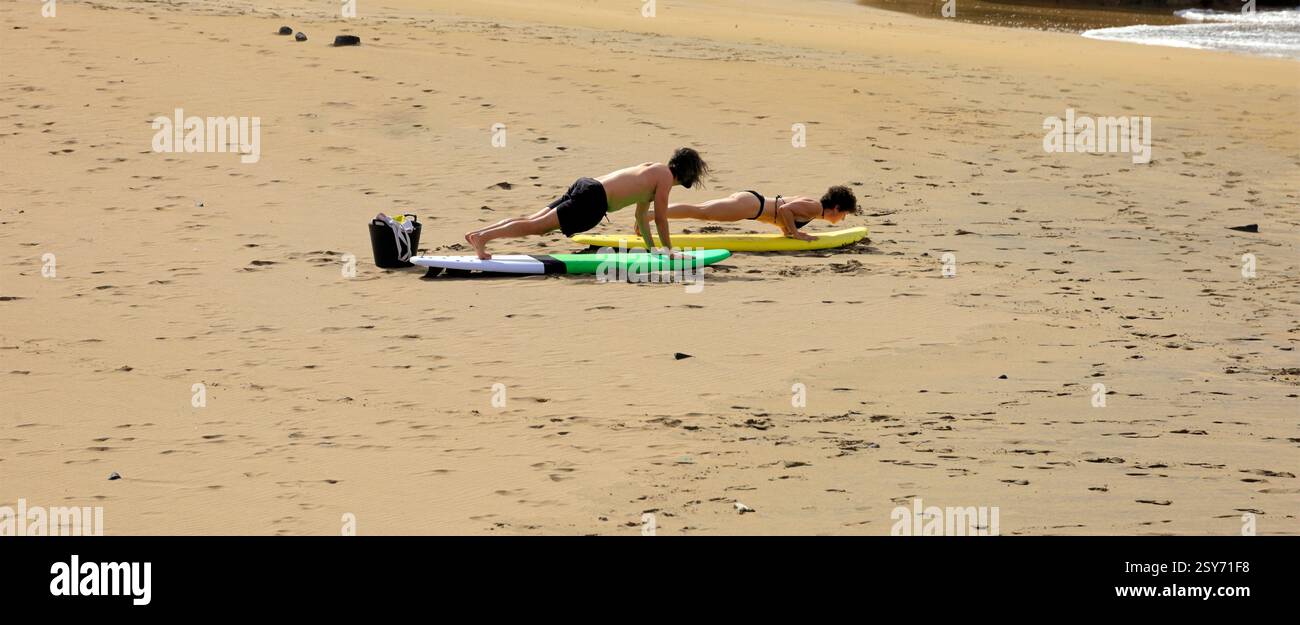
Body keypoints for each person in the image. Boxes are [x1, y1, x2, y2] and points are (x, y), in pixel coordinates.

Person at [464, 148, 710, 259]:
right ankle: (484, 239)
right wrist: (668, 251)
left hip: (587, 185)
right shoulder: (665, 178)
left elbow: (641, 217)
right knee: (537, 227)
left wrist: (652, 249)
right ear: (687, 176)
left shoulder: (652, 170)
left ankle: (480, 234)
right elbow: (660, 218)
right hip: (593, 199)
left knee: (532, 220)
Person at [643, 185, 857, 242]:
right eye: (844, 214)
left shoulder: (813, 210)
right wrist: (797, 233)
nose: (842, 218)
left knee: (701, 209)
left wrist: (788, 231)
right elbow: (784, 210)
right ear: (836, 208)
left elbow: (784, 215)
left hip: (751, 203)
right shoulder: (815, 208)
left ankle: (652, 214)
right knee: (700, 212)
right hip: (750, 206)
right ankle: (651, 215)